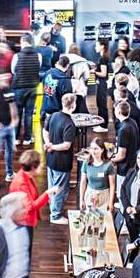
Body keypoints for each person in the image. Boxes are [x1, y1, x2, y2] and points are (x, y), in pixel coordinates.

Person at [43, 92, 78, 224]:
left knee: (52, 185)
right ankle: (56, 215)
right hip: (62, 162)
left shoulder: (53, 115)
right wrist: (52, 146)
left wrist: (48, 144)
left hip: (50, 158)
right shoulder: (69, 124)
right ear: (73, 106)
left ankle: (53, 208)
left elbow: (45, 131)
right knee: (60, 189)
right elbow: (66, 146)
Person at [10, 41, 43, 144]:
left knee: (18, 113)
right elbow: (38, 69)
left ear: (23, 42)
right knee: (29, 114)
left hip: (19, 87)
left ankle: (15, 138)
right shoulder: (38, 55)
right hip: (33, 87)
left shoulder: (17, 56)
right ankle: (27, 139)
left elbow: (13, 70)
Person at [80, 138, 116, 209]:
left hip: (104, 196)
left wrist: (111, 202)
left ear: (102, 150)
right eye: (91, 148)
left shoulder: (109, 165)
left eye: (96, 149)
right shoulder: (86, 163)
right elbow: (83, 182)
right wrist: (81, 200)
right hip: (90, 195)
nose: (93, 151)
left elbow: (112, 185)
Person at [113, 100, 140, 180]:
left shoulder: (123, 130)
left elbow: (121, 156)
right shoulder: (133, 122)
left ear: (118, 112)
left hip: (124, 168)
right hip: (133, 163)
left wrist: (110, 160)